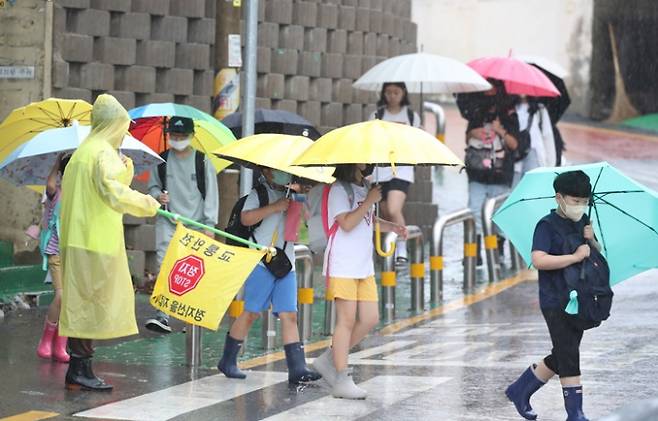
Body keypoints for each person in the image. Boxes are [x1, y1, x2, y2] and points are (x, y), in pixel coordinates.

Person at [58, 94, 161, 391]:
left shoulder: (82, 152)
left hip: (77, 238)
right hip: (94, 240)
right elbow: (113, 193)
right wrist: (148, 203)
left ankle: (78, 367)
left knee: (81, 303)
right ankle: (80, 369)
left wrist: (125, 171)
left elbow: (105, 187)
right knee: (89, 305)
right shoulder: (101, 152)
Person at [505, 171, 596, 421]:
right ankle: (575, 413)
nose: (580, 206)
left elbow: (592, 254)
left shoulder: (583, 221)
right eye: (575, 200)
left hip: (579, 299)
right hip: (555, 300)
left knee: (564, 352)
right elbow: (538, 259)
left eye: (584, 201)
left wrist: (591, 241)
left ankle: (519, 390)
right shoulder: (546, 225)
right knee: (569, 353)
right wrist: (574, 257)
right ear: (559, 197)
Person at [312, 164, 407, 400]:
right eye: (365, 159)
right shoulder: (338, 190)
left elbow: (368, 220)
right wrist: (369, 201)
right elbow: (345, 223)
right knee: (345, 320)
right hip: (343, 263)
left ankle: (329, 359)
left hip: (364, 265)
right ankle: (341, 377)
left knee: (370, 318)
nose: (370, 163)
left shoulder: (365, 187)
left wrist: (392, 227)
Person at [217, 167, 321, 385]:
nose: (281, 174)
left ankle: (297, 368)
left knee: (289, 314)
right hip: (261, 262)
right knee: (251, 313)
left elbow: (307, 222)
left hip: (287, 263)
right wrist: (274, 207)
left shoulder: (294, 194)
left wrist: (301, 197)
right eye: (276, 171)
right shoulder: (259, 193)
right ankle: (228, 360)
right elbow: (246, 218)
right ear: (267, 171)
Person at [144, 116, 219, 333]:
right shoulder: (162, 160)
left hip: (196, 224)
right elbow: (152, 188)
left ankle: (191, 318)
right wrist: (159, 196)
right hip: (168, 221)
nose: (177, 140)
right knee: (164, 265)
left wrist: (209, 225)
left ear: (191, 136)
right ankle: (162, 315)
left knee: (192, 270)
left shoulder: (202, 161)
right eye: (174, 136)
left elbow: (211, 195)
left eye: (181, 136)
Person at [461, 79, 519, 265]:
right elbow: (467, 138)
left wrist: (500, 131)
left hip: (500, 174)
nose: (489, 90)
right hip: (477, 171)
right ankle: (473, 254)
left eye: (493, 86)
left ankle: (496, 252)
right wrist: (473, 134)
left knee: (497, 215)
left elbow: (515, 144)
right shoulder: (475, 110)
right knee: (475, 210)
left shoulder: (510, 112)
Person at [369, 82, 421, 266]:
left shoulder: (411, 116)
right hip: (380, 169)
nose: (392, 96)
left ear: (403, 93)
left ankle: (401, 248)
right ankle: (388, 249)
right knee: (384, 211)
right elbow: (371, 139)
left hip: (402, 168)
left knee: (393, 209)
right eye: (388, 92)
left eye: (396, 92)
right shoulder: (377, 115)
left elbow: (415, 140)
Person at [35, 154, 71, 363]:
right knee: (61, 296)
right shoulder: (55, 193)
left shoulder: (80, 195)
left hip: (73, 252)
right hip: (56, 250)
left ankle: (60, 344)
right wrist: (57, 164)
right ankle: (46, 339)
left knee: (69, 299)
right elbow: (49, 184)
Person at [513, 96, 557, 186]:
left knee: (530, 187)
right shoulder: (510, 107)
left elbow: (547, 136)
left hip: (534, 152)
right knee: (513, 190)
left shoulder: (539, 109)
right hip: (514, 152)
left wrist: (551, 165)